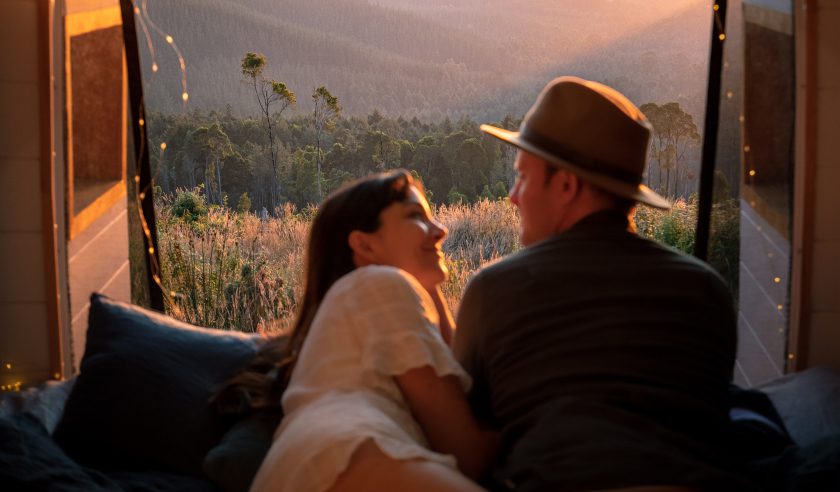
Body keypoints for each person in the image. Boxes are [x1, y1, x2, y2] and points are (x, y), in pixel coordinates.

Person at [453, 77, 754, 491]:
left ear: (565, 186)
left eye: (522, 177)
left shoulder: (494, 290)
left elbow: (470, 445)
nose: (513, 196)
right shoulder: (706, 291)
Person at [222, 170, 497, 492]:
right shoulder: (381, 282)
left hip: (323, 461)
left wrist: (431, 285)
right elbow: (465, 450)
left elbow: (455, 367)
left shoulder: (352, 308)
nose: (440, 230)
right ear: (364, 244)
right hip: (351, 450)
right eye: (415, 216)